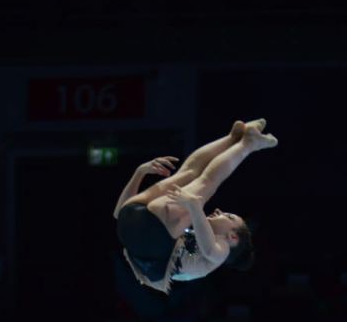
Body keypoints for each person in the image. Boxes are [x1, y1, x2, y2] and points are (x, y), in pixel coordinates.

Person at [113, 120, 277, 294]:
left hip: (148, 235)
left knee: (206, 182)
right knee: (189, 173)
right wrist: (139, 172)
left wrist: (195, 207)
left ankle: (248, 143)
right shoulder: (183, 231)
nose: (219, 211)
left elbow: (210, 250)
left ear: (232, 237)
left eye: (229, 217)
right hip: (128, 219)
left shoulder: (222, 251)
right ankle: (233, 138)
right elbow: (118, 213)